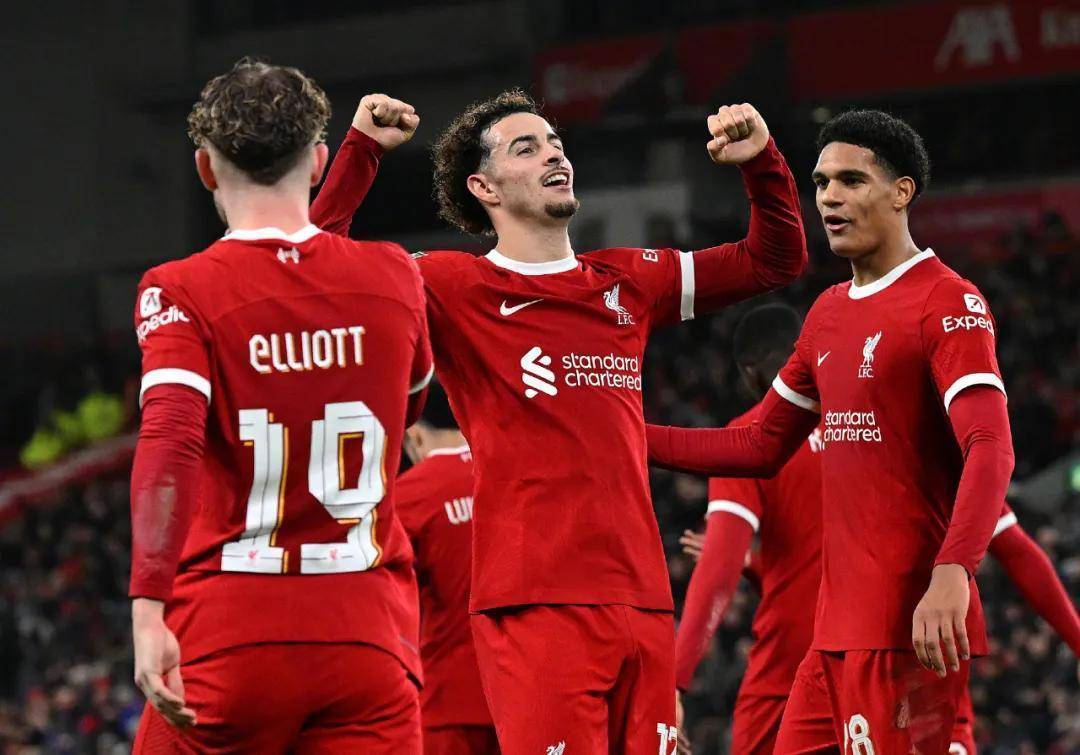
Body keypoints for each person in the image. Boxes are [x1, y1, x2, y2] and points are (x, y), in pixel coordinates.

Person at [311, 91, 807, 754]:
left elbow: (774, 259)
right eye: (527, 148)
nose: (554, 155)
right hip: (535, 603)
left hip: (643, 601)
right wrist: (362, 150)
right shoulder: (453, 285)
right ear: (484, 187)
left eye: (555, 143)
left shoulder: (628, 279)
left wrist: (761, 163)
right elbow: (314, 270)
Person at [647, 110, 1015, 752]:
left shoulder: (947, 301)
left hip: (905, 627)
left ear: (901, 192)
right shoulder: (827, 314)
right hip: (832, 637)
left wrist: (953, 570)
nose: (829, 198)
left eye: (851, 180)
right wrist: (619, 431)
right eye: (820, 183)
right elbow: (757, 444)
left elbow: (990, 447)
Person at [128, 58, 432, 752]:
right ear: (317, 160)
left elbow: (170, 441)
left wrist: (148, 607)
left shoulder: (180, 289)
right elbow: (403, 416)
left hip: (231, 635)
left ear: (205, 168)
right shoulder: (395, 274)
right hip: (370, 641)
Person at [674, 304, 822, 755]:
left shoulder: (749, 436)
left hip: (792, 668)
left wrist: (675, 679)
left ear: (750, 375)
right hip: (879, 653)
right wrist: (755, 565)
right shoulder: (868, 424)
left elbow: (716, 570)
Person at [396, 382, 498, 755]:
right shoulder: (512, 475)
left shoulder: (409, 496)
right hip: (525, 693)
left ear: (415, 437)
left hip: (447, 699)